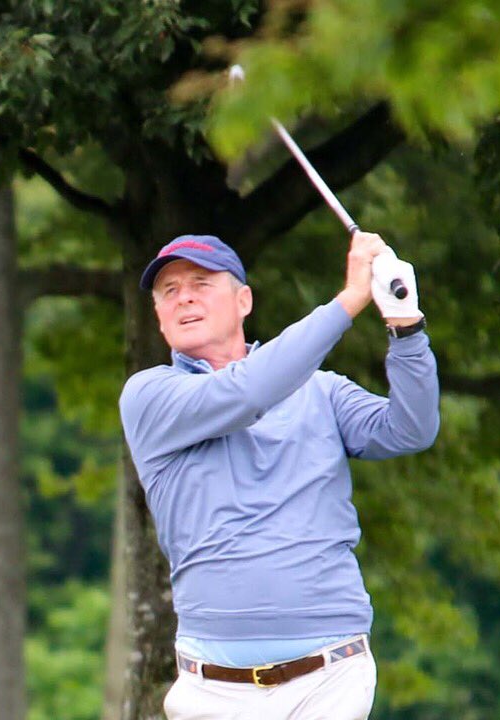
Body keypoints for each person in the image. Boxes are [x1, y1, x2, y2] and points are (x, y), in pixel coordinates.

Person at [119, 231, 439, 719]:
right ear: (160, 319)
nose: (183, 296)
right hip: (212, 691)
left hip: (330, 676)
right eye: (169, 291)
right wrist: (351, 299)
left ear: (243, 300)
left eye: (201, 283)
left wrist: (405, 324)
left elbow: (411, 428)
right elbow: (248, 393)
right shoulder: (149, 397)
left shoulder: (322, 390)